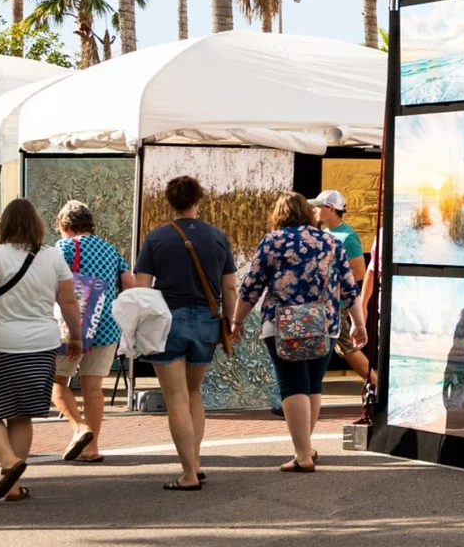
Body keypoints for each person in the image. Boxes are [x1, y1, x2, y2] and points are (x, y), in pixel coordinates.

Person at [0, 199, 80, 502]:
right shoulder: (53, 257)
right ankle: (14, 485)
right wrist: (75, 336)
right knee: (21, 413)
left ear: (4, 224)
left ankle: (9, 462)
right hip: (41, 346)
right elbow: (68, 302)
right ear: (37, 224)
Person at [232, 193, 363, 474]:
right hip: (325, 323)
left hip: (283, 324)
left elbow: (251, 286)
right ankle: (306, 447)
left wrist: (237, 320)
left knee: (292, 386)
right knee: (313, 385)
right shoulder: (331, 241)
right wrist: (359, 323)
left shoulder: (273, 241)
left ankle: (303, 454)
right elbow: (349, 287)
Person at [132, 175, 236, 491]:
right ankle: (196, 461)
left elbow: (141, 289)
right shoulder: (217, 237)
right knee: (193, 393)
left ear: (170, 202)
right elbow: (230, 286)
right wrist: (229, 321)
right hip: (207, 320)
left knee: (175, 396)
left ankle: (188, 473)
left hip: (169, 321)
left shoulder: (156, 238)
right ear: (198, 200)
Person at [52, 201, 135, 464]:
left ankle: (79, 428)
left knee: (56, 381)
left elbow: (51, 282)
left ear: (66, 225)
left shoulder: (64, 247)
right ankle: (92, 448)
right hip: (107, 325)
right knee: (93, 387)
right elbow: (130, 286)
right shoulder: (111, 250)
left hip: (72, 325)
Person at [309, 190, 376, 390]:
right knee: (342, 346)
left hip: (336, 303)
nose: (315, 210)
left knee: (346, 346)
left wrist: (330, 283)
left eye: (319, 206)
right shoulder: (324, 233)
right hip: (323, 303)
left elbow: (359, 272)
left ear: (331, 209)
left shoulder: (348, 237)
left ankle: (377, 385)